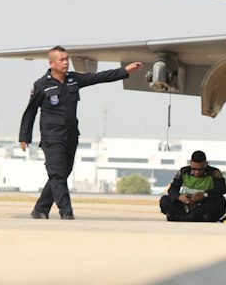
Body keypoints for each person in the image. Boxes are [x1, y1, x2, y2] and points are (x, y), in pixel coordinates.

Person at [19, 47, 143, 219]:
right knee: (57, 173)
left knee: (63, 173)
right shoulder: (41, 85)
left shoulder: (73, 79)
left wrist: (125, 71)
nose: (65, 62)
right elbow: (30, 111)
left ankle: (40, 209)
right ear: (51, 63)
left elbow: (97, 78)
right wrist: (24, 137)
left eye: (66, 59)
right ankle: (66, 213)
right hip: (52, 137)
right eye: (61, 59)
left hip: (70, 135)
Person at [159, 151, 226, 222]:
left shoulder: (214, 173)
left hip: (204, 203)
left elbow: (222, 189)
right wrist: (179, 197)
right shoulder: (184, 171)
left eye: (200, 169)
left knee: (221, 201)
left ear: (206, 164)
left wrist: (204, 195)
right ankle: (191, 216)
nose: (197, 172)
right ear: (190, 163)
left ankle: (186, 216)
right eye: (194, 169)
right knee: (165, 200)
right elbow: (172, 189)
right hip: (186, 203)